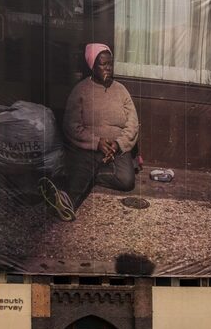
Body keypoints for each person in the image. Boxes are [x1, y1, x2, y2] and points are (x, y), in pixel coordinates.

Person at [40, 43, 139, 220]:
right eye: (103, 64)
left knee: (126, 181)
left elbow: (133, 123)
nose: (108, 68)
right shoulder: (81, 90)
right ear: (92, 66)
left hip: (116, 148)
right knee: (86, 166)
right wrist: (97, 142)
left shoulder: (121, 90)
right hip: (90, 147)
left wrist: (117, 144)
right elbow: (72, 125)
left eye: (110, 63)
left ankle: (88, 176)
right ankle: (66, 204)